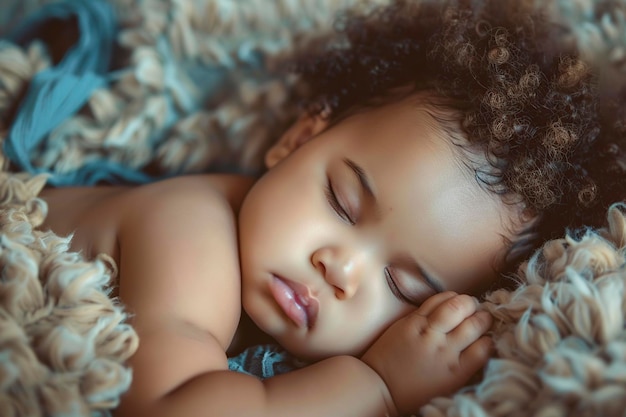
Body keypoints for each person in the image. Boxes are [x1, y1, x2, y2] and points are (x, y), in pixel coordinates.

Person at [37, 0, 626, 416]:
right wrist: (378, 387)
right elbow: (170, 408)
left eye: (401, 285)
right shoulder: (192, 231)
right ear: (296, 139)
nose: (339, 269)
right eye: (343, 205)